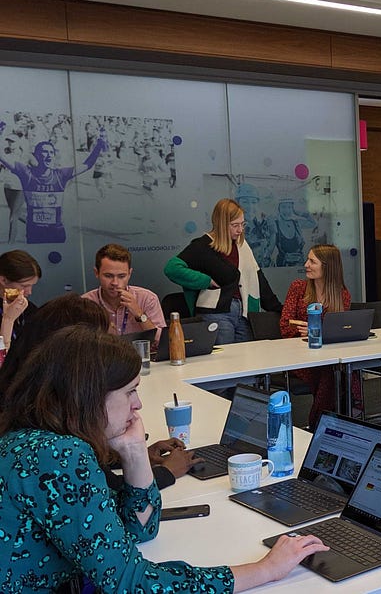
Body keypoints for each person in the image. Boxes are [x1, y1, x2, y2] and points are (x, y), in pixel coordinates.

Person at [0, 325, 328, 592]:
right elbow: (129, 582)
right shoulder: (58, 456)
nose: (138, 404)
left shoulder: (33, 440)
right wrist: (264, 570)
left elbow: (140, 528)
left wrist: (133, 454)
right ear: (89, 394)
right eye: (129, 391)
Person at [2, 293, 195, 488]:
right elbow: (104, 492)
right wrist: (165, 472)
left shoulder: (29, 394)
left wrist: (129, 455)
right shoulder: (57, 444)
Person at [164, 198, 282, 344]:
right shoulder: (202, 246)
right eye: (235, 225)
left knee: (248, 362)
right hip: (217, 313)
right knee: (225, 363)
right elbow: (172, 268)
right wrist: (205, 281)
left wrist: (280, 310)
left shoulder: (241, 245)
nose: (240, 230)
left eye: (242, 224)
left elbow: (258, 280)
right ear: (221, 224)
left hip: (245, 314)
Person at [279, 244, 361, 425]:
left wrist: (317, 330)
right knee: (331, 371)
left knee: (341, 367)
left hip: (327, 353)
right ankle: (329, 418)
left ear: (327, 266)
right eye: (308, 260)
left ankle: (330, 418)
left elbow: (340, 328)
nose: (306, 264)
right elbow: (285, 325)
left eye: (312, 261)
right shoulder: (298, 288)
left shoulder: (341, 294)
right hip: (299, 354)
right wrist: (308, 331)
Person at [0, 131, 107, 243]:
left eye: (51, 152)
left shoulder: (61, 175)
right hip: (34, 233)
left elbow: (87, 165)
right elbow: (3, 158)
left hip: (57, 232)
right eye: (44, 152)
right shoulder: (26, 173)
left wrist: (99, 145)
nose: (49, 155)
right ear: (35, 156)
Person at [82, 243, 166, 344]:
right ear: (96, 273)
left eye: (121, 276)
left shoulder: (147, 298)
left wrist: (139, 314)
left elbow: (163, 341)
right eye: (108, 276)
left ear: (129, 274)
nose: (115, 283)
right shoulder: (85, 303)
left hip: (141, 357)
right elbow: (77, 346)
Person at [0, 249, 41, 354]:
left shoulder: (30, 309)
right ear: (3, 280)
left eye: (32, 285)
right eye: (24, 286)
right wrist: (8, 320)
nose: (29, 292)